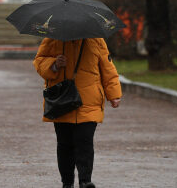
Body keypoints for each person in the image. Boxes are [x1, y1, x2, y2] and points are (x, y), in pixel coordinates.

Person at [34, 38, 122, 188]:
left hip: (89, 101)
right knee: (64, 144)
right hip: (61, 102)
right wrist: (54, 64)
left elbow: (108, 68)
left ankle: (85, 181)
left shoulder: (96, 40)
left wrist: (113, 93)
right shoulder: (53, 39)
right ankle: (67, 182)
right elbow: (39, 61)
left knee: (85, 142)